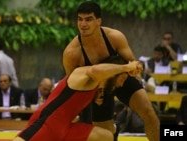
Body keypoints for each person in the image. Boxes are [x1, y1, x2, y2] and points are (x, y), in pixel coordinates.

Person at [62, 1, 159, 141]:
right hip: (97, 89)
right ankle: (113, 128)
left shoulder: (114, 37)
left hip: (121, 78)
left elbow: (132, 60)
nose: (83, 24)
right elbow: (72, 85)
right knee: (105, 136)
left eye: (88, 19)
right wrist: (91, 96)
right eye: (80, 19)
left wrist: (136, 70)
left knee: (149, 113)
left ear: (98, 21)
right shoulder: (72, 53)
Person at [12, 56, 141, 141]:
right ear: (113, 73)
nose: (121, 85)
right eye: (122, 79)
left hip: (65, 128)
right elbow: (97, 70)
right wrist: (127, 67)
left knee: (106, 136)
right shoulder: (84, 73)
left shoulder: (94, 86)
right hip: (47, 123)